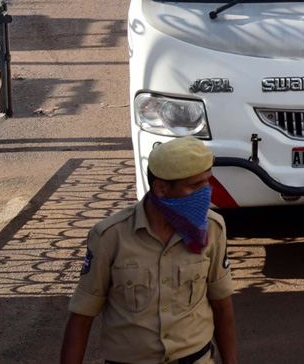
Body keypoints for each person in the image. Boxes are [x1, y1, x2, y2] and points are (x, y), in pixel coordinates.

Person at [60, 137, 237, 364]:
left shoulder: (213, 228)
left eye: (207, 183)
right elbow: (82, 318)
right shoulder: (110, 237)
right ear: (161, 188)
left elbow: (222, 306)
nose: (206, 193)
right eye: (195, 186)